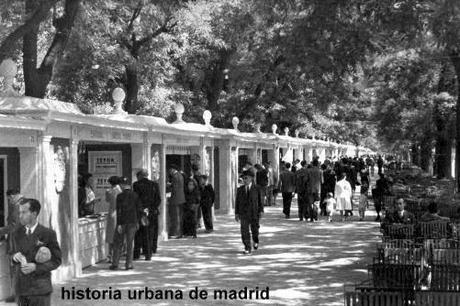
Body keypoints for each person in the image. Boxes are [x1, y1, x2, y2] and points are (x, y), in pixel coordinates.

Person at [11, 198, 61, 306]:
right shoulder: (16, 233)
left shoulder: (48, 233)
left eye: (24, 212)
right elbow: (12, 253)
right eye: (20, 212)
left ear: (34, 214)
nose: (20, 215)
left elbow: (56, 260)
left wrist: (36, 267)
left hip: (40, 290)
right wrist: (14, 257)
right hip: (21, 289)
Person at [110, 177, 141, 270]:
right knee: (130, 243)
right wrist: (137, 221)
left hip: (122, 222)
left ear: (122, 185)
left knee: (118, 243)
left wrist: (118, 224)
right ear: (129, 185)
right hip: (132, 222)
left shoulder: (120, 196)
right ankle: (129, 264)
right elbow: (139, 209)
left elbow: (118, 211)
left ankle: (115, 263)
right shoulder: (135, 195)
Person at [0, 188, 23, 302]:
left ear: (13, 196)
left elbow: (13, 226)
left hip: (16, 242)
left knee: (16, 269)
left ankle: (17, 296)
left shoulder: (17, 206)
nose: (9, 202)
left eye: (9, 199)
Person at [133, 169, 161, 260]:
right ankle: (148, 253)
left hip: (140, 212)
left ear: (140, 176)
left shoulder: (136, 185)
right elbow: (158, 199)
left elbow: (136, 199)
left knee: (139, 233)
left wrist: (141, 209)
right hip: (152, 212)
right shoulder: (154, 185)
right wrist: (150, 208)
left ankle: (136, 253)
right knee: (150, 232)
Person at [235, 170, 264, 255]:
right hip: (243, 213)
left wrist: (261, 210)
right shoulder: (240, 190)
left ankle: (255, 240)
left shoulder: (257, 188)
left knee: (255, 230)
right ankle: (247, 247)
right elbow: (237, 202)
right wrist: (236, 213)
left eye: (246, 178)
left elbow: (260, 201)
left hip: (254, 213)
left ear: (251, 178)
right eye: (243, 178)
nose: (244, 180)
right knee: (244, 231)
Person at [105, 176, 122, 263]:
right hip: (119, 213)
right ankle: (118, 253)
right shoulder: (120, 191)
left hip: (111, 213)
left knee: (110, 235)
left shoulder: (108, 191)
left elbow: (107, 200)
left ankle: (110, 254)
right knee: (119, 235)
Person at [168, 164, 186, 238]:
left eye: (170, 170)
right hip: (181, 198)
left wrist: (169, 185)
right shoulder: (180, 175)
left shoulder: (175, 176)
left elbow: (174, 188)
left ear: (172, 169)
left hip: (175, 199)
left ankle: (175, 233)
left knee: (175, 216)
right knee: (179, 216)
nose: (169, 172)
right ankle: (179, 232)